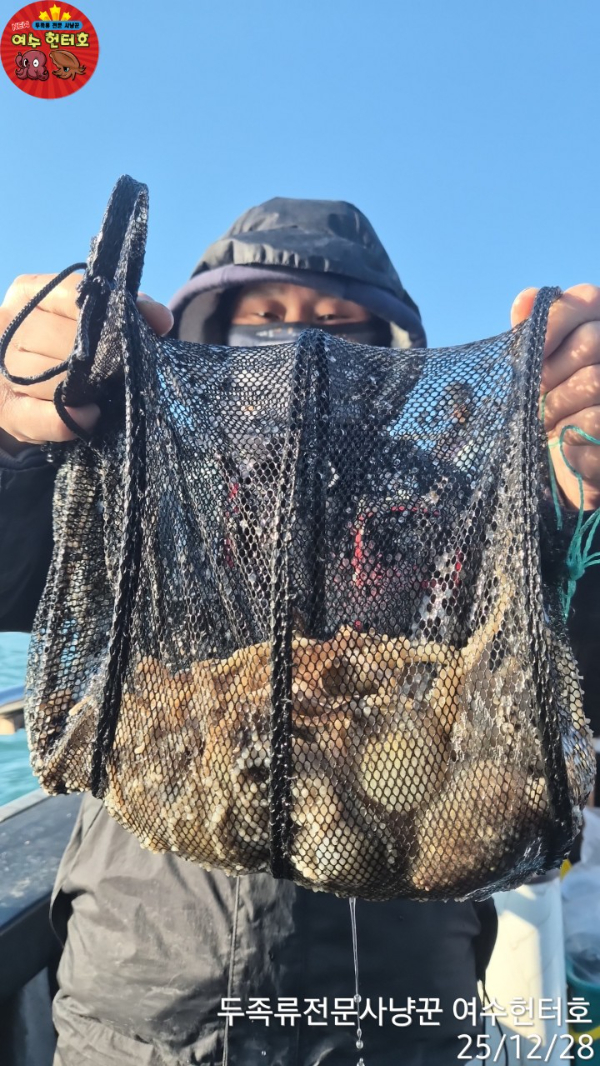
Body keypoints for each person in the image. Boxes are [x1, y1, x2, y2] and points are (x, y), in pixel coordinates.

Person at [0, 196, 599, 1066]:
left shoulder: (467, 508)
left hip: (406, 1014)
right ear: (205, 340)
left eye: (339, 325)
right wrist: (13, 435)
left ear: (391, 357)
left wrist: (586, 504)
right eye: (265, 320)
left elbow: (572, 678)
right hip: (139, 1009)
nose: (301, 345)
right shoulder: (141, 488)